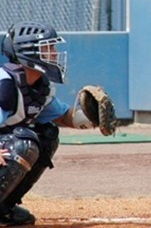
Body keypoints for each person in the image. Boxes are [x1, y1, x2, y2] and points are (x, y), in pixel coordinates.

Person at [0, 21, 111, 225]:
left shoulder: (38, 87)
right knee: (22, 144)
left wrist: (93, 118)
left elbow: (62, 117)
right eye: (48, 48)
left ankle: (3, 208)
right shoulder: (5, 84)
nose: (54, 53)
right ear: (29, 52)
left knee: (47, 135)